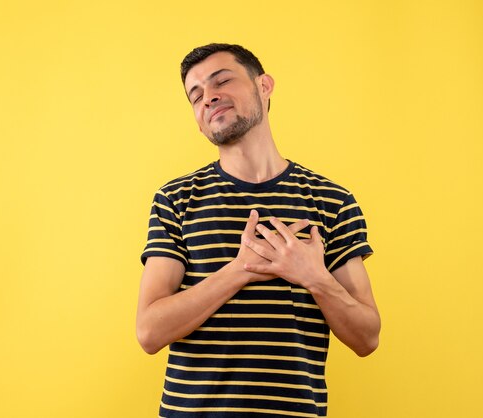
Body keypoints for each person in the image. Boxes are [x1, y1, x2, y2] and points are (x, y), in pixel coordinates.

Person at [136, 43, 381, 418]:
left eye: (222, 80)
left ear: (264, 86)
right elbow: (149, 332)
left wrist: (315, 277)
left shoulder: (332, 201)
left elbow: (367, 337)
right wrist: (240, 269)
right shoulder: (175, 200)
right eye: (195, 94)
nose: (208, 96)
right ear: (197, 119)